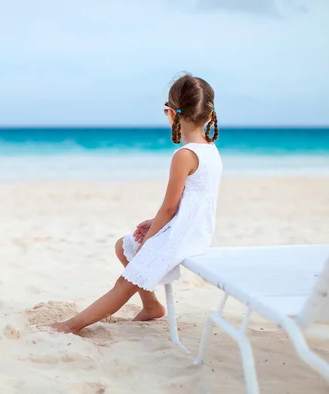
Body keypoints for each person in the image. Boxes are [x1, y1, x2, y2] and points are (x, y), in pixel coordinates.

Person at [47, 74, 223, 334]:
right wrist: (155, 226)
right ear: (209, 115)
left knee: (124, 282)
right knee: (123, 245)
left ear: (171, 114)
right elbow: (192, 203)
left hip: (182, 238)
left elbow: (169, 208)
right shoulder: (210, 149)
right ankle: (151, 306)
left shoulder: (184, 156)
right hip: (195, 231)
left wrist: (152, 239)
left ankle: (71, 325)